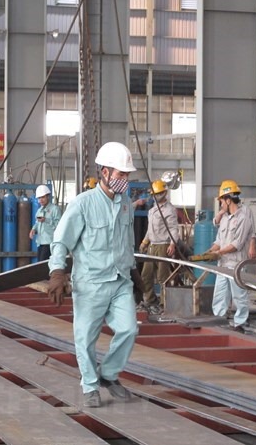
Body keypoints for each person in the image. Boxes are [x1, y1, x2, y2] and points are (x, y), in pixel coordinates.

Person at [48, 141, 140, 408]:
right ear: (105, 172)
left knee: (129, 329)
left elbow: (127, 243)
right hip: (91, 283)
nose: (125, 179)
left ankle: (108, 375)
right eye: (121, 174)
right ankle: (90, 385)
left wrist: (134, 272)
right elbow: (61, 241)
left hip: (120, 281)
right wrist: (57, 272)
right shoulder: (82, 204)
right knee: (86, 338)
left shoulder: (126, 204)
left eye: (127, 175)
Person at [205, 180, 256, 333]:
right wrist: (209, 251)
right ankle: (219, 320)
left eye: (221, 201)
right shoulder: (225, 219)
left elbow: (237, 244)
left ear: (228, 200)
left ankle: (240, 323)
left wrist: (219, 252)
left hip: (236, 264)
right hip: (223, 264)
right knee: (220, 294)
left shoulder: (243, 218)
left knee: (239, 295)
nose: (220, 204)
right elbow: (219, 241)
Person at [138, 179, 179, 314]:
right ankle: (150, 300)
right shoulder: (152, 210)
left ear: (164, 193)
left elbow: (173, 228)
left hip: (163, 245)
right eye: (154, 194)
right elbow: (150, 229)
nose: (155, 196)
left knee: (163, 277)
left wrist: (172, 244)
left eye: (158, 194)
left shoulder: (169, 210)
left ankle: (164, 304)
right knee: (146, 275)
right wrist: (145, 242)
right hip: (152, 245)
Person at [29, 185, 62, 261]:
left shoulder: (55, 209)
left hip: (50, 243)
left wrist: (46, 220)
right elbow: (37, 223)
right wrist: (33, 229)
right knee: (40, 264)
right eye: (39, 198)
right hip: (40, 242)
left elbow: (59, 225)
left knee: (44, 264)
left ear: (48, 196)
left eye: (43, 197)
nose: (41, 200)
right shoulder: (39, 210)